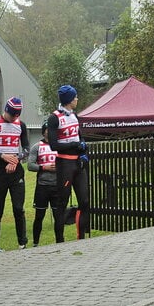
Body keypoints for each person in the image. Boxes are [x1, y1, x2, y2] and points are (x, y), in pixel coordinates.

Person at [0, 98, 31, 252]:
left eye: (17, 116)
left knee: (18, 208)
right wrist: (2, 156)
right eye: (12, 115)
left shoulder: (21, 125)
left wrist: (16, 159)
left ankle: (23, 242)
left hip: (15, 169)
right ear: (6, 110)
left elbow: (26, 148)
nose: (14, 118)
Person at [48, 85, 90, 242]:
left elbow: (80, 137)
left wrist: (83, 150)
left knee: (84, 201)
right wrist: (74, 145)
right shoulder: (54, 118)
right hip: (64, 163)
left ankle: (81, 237)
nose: (77, 99)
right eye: (75, 97)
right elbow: (54, 145)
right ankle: (60, 240)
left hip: (78, 164)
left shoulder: (75, 116)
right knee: (62, 203)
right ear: (68, 100)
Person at [28, 121, 59, 247]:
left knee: (58, 215)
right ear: (44, 131)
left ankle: (60, 241)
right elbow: (30, 165)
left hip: (57, 185)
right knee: (39, 215)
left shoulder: (59, 146)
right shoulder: (37, 146)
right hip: (42, 186)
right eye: (47, 129)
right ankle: (35, 243)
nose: (49, 131)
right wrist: (44, 167)